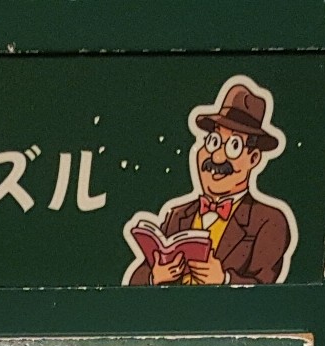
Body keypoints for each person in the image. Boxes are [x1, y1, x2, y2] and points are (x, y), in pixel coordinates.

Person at [123, 79, 296, 289]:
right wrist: (155, 277)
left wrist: (224, 280)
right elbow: (134, 281)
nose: (217, 157)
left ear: (253, 158)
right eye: (213, 141)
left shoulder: (269, 221)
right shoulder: (177, 216)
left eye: (233, 146)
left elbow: (266, 291)